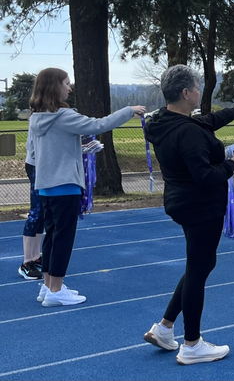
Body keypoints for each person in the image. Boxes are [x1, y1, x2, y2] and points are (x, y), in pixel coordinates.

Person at [142, 64, 234, 365]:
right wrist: (232, 163)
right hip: (200, 206)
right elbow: (205, 176)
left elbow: (208, 121)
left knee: (199, 263)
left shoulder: (166, 121)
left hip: (182, 201)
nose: (200, 91)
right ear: (186, 93)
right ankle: (192, 344)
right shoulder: (186, 132)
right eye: (197, 87)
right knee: (198, 269)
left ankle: (165, 327)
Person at [28, 68, 145, 306]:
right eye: (66, 83)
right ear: (55, 87)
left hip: (46, 187)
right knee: (63, 239)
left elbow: (35, 154)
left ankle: (49, 285)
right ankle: (56, 289)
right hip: (66, 186)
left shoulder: (35, 118)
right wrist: (128, 111)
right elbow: (98, 125)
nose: (69, 88)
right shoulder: (64, 116)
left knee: (51, 237)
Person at [18, 135, 44, 280]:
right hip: (36, 165)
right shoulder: (38, 118)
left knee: (43, 213)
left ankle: (35, 256)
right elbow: (33, 147)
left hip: (45, 166)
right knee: (36, 212)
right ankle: (27, 262)